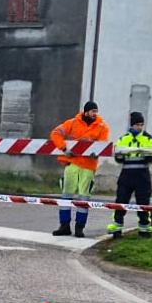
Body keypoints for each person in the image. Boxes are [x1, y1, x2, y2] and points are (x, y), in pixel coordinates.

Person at [48, 101, 110, 237]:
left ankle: (79, 228)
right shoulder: (73, 123)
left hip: (88, 166)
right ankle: (64, 226)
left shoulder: (102, 127)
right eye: (92, 111)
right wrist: (64, 148)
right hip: (72, 163)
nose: (95, 114)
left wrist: (96, 152)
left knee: (84, 197)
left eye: (96, 111)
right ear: (86, 111)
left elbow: (102, 144)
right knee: (66, 195)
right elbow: (55, 133)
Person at [110, 111, 152, 238]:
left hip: (142, 175)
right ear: (132, 125)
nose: (139, 127)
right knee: (121, 201)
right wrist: (120, 156)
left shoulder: (149, 138)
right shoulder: (123, 139)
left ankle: (144, 229)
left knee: (143, 203)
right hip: (126, 175)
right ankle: (117, 228)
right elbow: (118, 156)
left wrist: (147, 156)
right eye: (137, 124)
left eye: (141, 124)